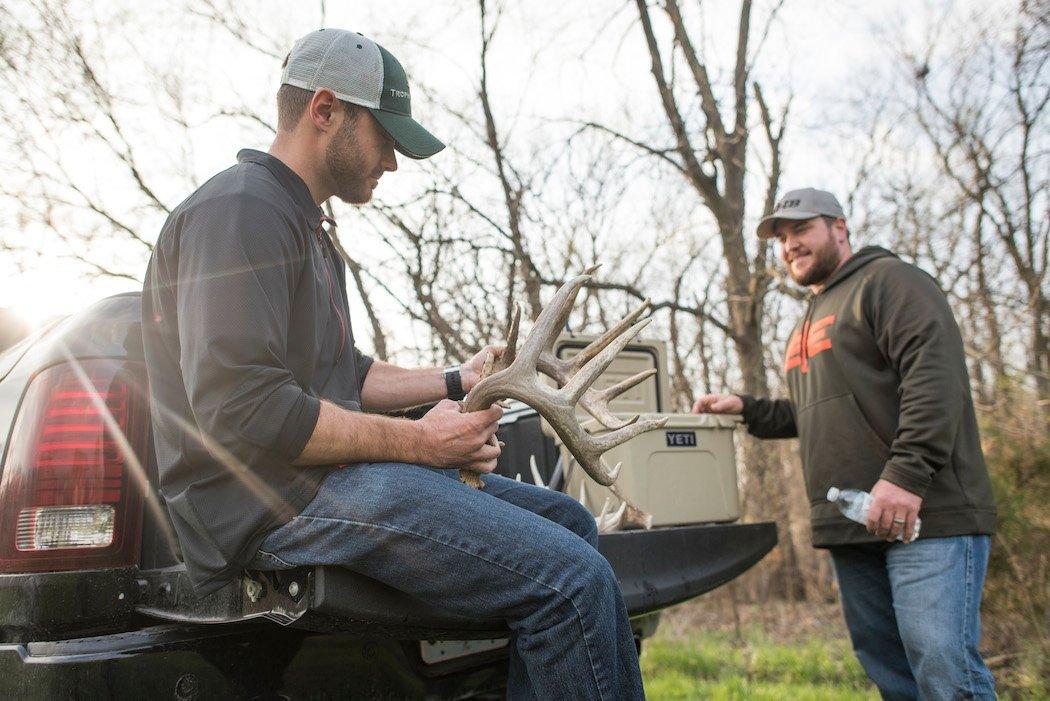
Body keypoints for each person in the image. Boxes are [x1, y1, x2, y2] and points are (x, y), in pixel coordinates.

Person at [141, 28, 644, 700]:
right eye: (385, 137)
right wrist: (421, 442)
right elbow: (242, 411)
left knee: (572, 527)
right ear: (325, 110)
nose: (394, 162)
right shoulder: (240, 211)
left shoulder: (304, 225)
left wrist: (456, 380)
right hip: (263, 507)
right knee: (573, 581)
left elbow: (344, 375)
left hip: (321, 482)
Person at [693, 188, 997, 700]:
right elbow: (817, 412)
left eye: (801, 230)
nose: (790, 245)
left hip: (923, 517)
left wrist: (905, 476)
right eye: (782, 238)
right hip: (851, 525)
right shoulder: (808, 317)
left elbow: (935, 380)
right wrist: (747, 408)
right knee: (893, 677)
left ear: (839, 227)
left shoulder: (892, 283)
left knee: (946, 677)